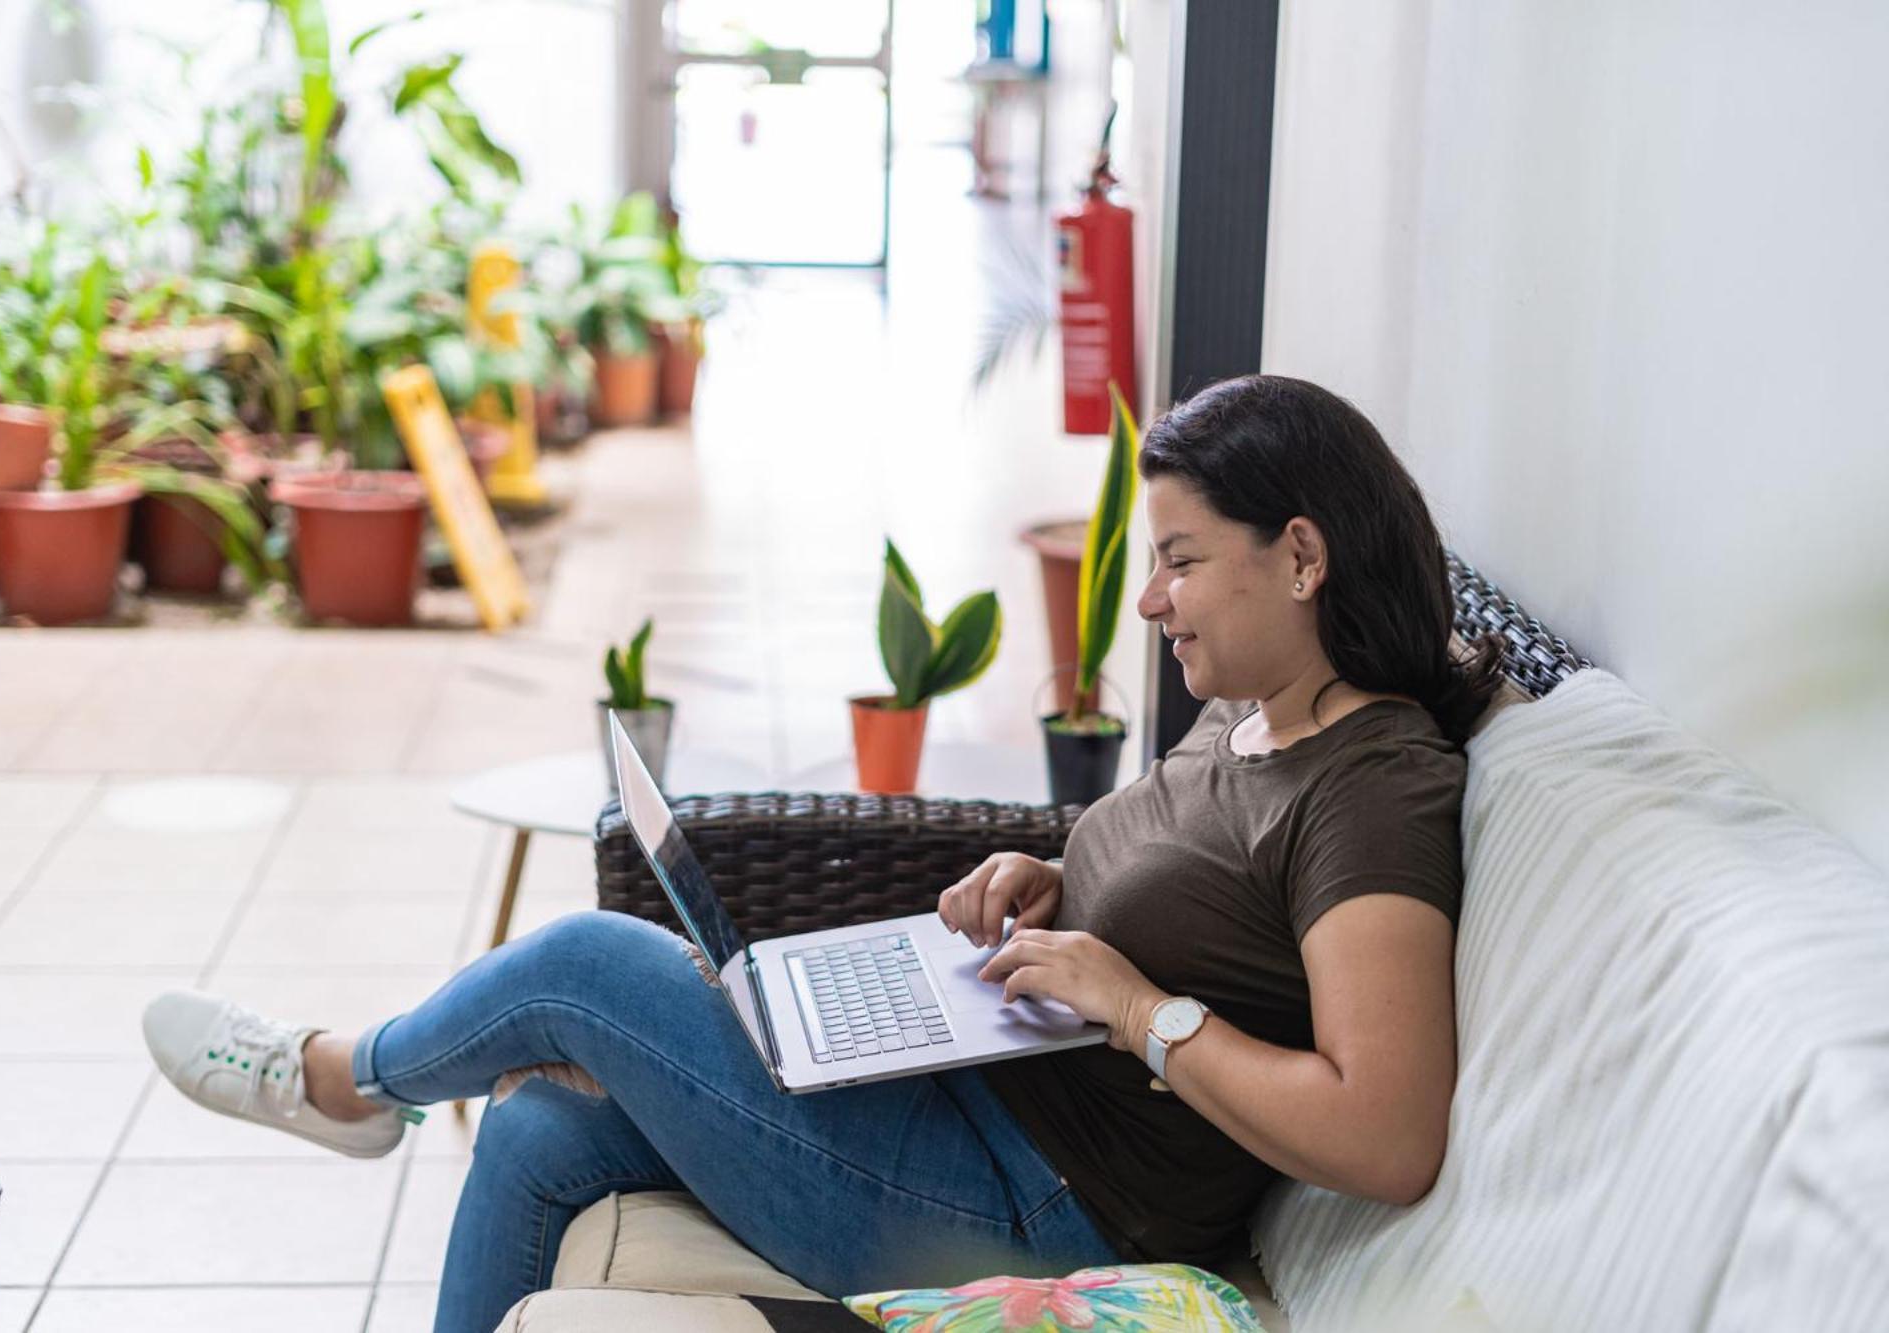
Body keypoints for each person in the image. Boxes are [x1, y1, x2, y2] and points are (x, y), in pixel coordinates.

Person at [141, 374, 1504, 1333]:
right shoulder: (1251, 716)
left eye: (1183, 560)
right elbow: (1204, 897)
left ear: (1304, 556)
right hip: (977, 1096)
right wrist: (1054, 881)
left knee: (583, 965)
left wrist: (1135, 1004)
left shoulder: (1374, 785)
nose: (1148, 598)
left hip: (1047, 1211)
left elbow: (1386, 1130)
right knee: (539, 1129)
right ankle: (356, 1084)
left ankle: (339, 1078)